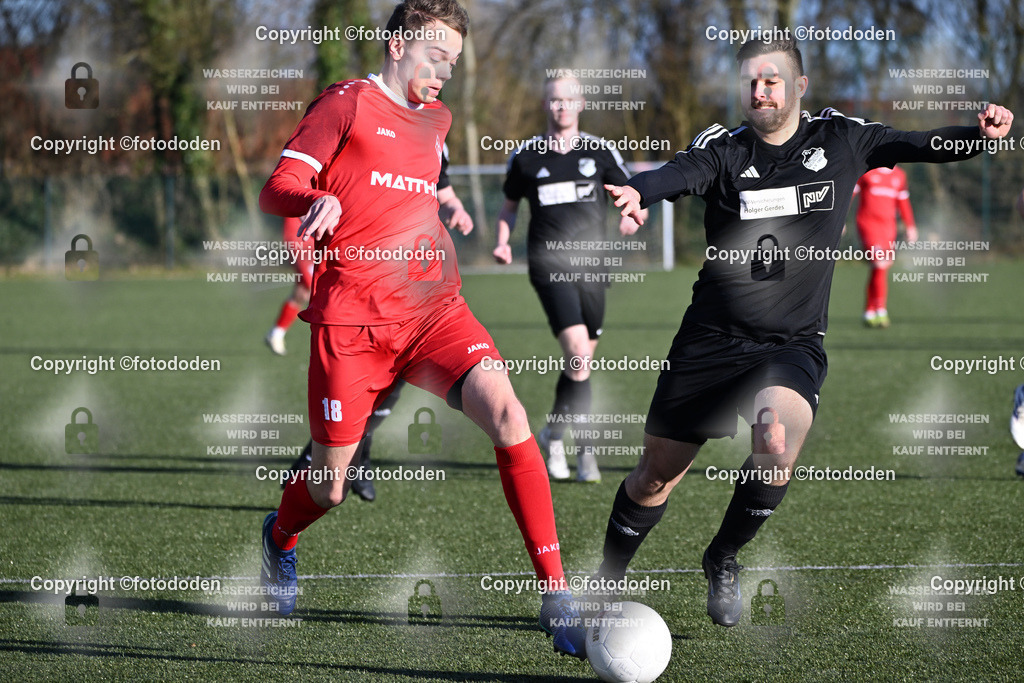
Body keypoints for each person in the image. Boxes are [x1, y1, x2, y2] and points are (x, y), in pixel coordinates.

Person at [596, 37, 1013, 628]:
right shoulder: (724, 147)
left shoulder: (840, 139)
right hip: (710, 339)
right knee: (656, 474)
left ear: (799, 87)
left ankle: (723, 555)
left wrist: (976, 134)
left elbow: (914, 144)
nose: (758, 91)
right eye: (749, 81)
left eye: (771, 80)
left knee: (774, 443)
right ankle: (604, 584)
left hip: (790, 346)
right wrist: (640, 190)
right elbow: (680, 171)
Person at [256, 0, 587, 657]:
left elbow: (425, 174)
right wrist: (313, 198)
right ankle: (279, 536)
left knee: (510, 415)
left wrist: (451, 199)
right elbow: (278, 185)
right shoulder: (345, 104)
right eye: (438, 56)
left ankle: (557, 594)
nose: (446, 72)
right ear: (401, 44)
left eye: (455, 63)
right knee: (330, 485)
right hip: (352, 322)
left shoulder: (438, 118)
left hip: (434, 309)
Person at [493, 75, 645, 483]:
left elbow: (632, 196)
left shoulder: (600, 152)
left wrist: (633, 216)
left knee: (581, 363)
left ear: (580, 104)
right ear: (546, 103)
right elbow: (508, 208)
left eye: (568, 100)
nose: (561, 107)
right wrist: (503, 241)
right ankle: (586, 452)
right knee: (578, 351)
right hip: (548, 266)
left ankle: (552, 435)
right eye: (554, 100)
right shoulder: (525, 156)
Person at [266, 144, 471, 355]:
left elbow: (443, 191)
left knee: (307, 289)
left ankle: (280, 333)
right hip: (305, 229)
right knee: (312, 285)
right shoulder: (336, 138)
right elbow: (285, 185)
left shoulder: (437, 143)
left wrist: (456, 208)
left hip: (389, 240)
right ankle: (310, 338)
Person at [852, 165, 917, 328]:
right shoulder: (867, 170)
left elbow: (903, 202)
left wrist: (910, 226)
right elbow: (849, 194)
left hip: (889, 227)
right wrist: (838, 220)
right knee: (879, 263)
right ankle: (881, 310)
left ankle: (869, 311)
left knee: (881, 267)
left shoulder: (900, 175)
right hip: (868, 224)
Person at [265, 216, 313, 355]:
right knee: (312, 286)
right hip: (300, 237)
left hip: (312, 236)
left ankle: (276, 333)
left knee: (303, 291)